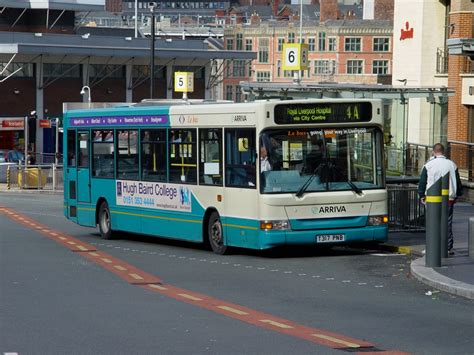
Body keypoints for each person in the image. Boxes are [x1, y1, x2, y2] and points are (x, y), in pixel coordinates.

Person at [417, 143, 463, 256]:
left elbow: (422, 182)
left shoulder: (429, 165)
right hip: (449, 198)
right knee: (447, 222)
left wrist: (421, 195)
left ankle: (431, 247)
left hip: (432, 199)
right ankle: (448, 247)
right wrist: (457, 195)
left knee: (433, 223)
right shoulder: (452, 164)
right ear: (444, 152)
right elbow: (458, 182)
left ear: (433, 152)